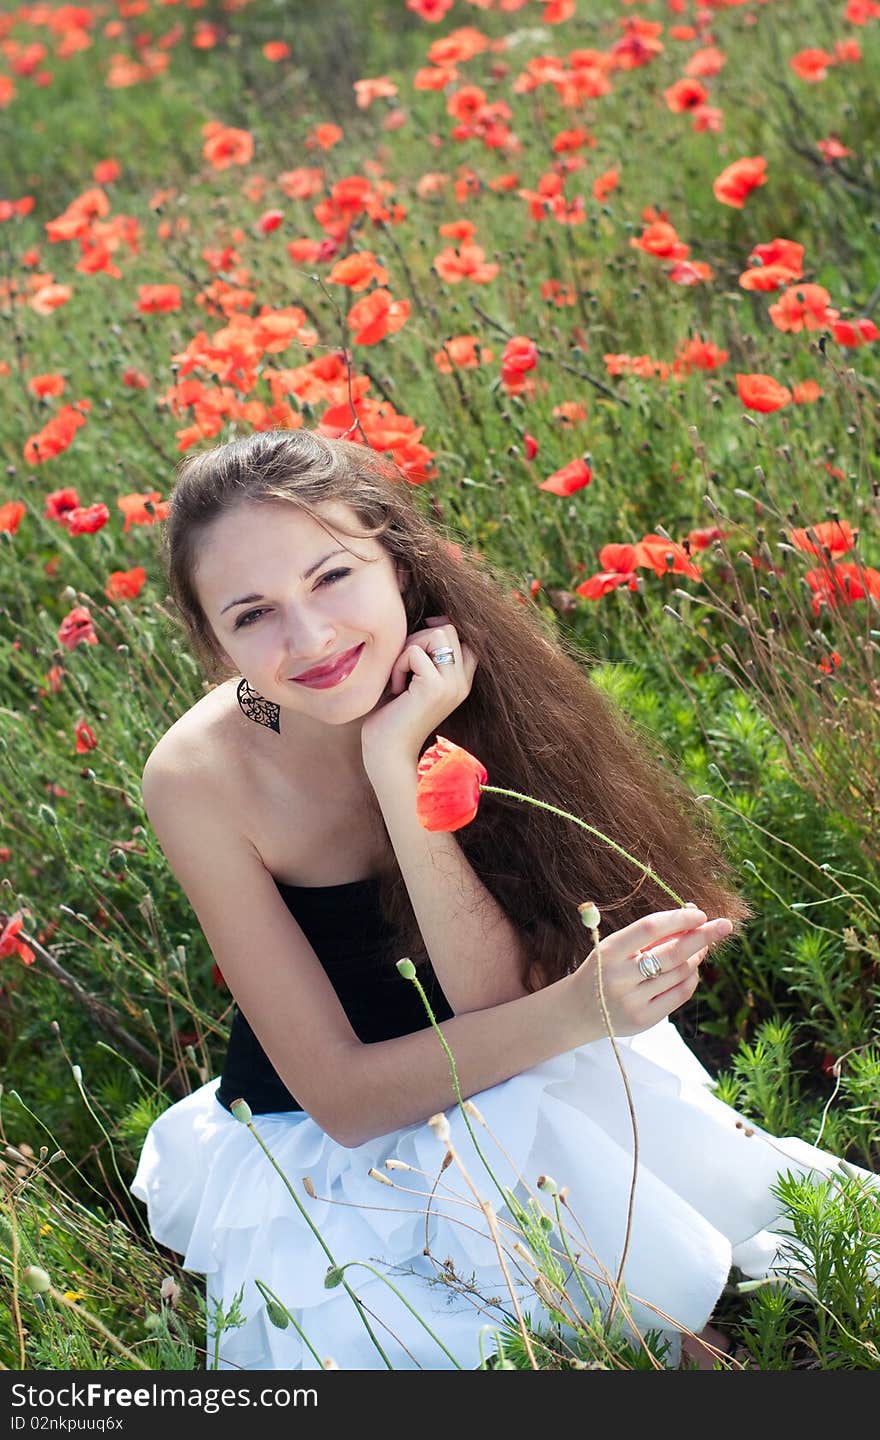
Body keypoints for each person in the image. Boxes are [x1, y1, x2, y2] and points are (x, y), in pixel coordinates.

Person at [131, 428, 863, 1372]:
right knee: (443, 1345)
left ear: (398, 561)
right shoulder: (200, 776)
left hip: (534, 1066)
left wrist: (400, 773)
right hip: (339, 1134)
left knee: (722, 1260)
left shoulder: (481, 685)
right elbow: (347, 1102)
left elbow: (488, 1005)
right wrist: (575, 1008)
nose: (309, 640)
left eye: (332, 577)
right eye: (252, 614)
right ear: (214, 641)